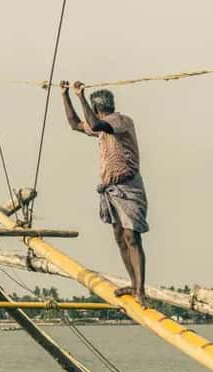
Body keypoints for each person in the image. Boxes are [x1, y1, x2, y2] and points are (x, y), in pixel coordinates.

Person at [60, 80, 149, 303]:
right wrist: (65, 95)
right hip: (111, 189)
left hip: (129, 187)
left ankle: (140, 290)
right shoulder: (100, 125)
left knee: (132, 236)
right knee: (120, 237)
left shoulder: (120, 120)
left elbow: (95, 123)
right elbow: (74, 123)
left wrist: (81, 96)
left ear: (97, 108)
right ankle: (132, 283)